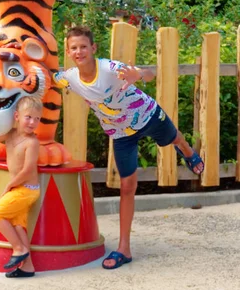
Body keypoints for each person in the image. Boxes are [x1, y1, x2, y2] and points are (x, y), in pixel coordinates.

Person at [53, 25, 204, 270]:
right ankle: (124, 248)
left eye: (83, 46)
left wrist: (138, 75)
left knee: (175, 138)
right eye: (74, 48)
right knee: (127, 187)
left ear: (93, 48)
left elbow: (145, 74)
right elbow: (51, 79)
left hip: (147, 116)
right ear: (68, 52)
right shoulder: (69, 77)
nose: (79, 51)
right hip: (121, 134)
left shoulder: (109, 68)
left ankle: (188, 153)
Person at [0, 96, 42, 278]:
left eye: (37, 119)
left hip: (27, 190)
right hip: (18, 189)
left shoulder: (32, 142)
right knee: (18, 226)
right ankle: (27, 267)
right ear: (17, 116)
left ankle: (18, 249)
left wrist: (10, 185)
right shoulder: (10, 134)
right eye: (28, 117)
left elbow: (29, 169)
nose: (33, 122)